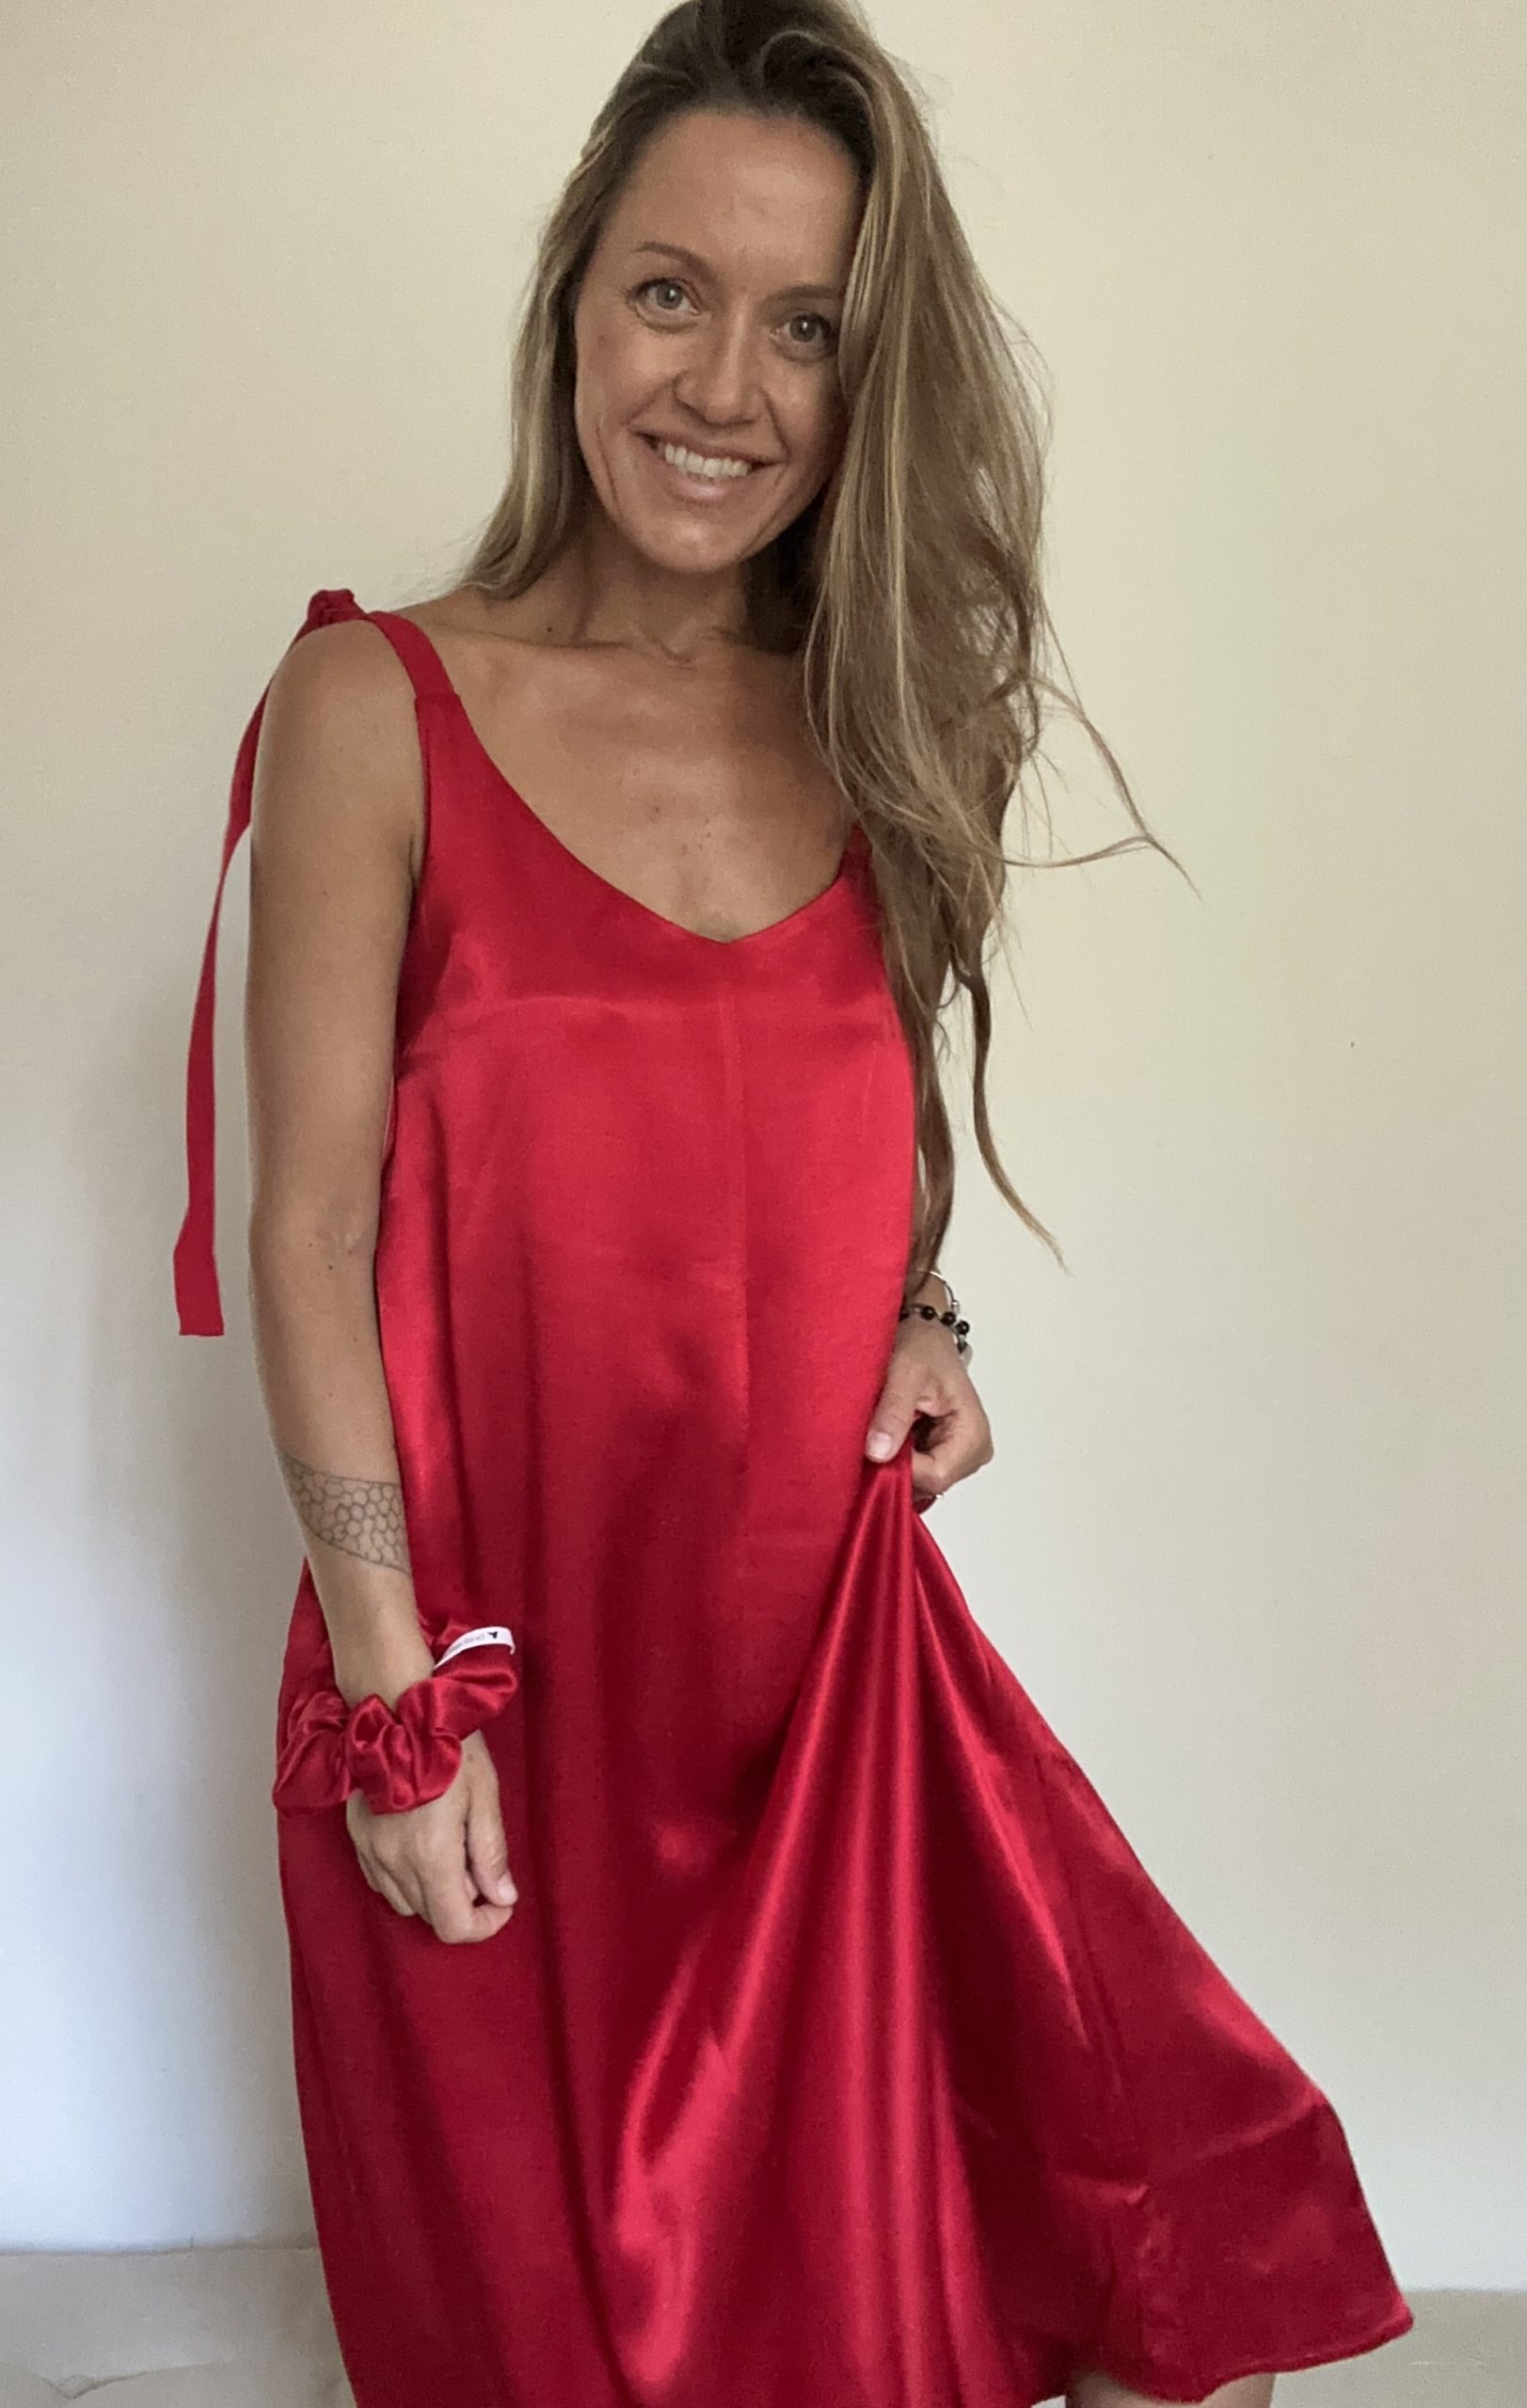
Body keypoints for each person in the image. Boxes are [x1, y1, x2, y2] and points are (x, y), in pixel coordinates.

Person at [171, 3, 1416, 2401]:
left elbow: (834, 1118)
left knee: (1179, 2266)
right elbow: (306, 1233)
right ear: (572, 294)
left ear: (867, 377)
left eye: (806, 325)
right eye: (670, 291)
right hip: (501, 1705)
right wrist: (392, 1697)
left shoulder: (881, 723)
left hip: (826, 1700)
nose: (722, 386)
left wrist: (926, 1311)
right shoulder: (373, 709)